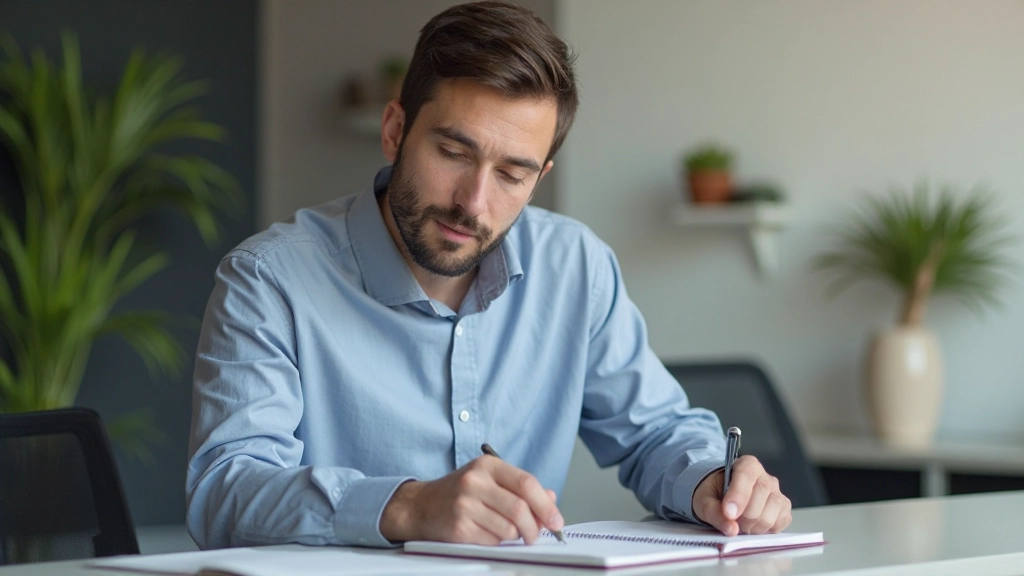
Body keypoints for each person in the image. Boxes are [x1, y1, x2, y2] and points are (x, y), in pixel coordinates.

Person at [186, 0, 792, 550]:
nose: (473, 202)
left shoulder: (576, 266)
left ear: (540, 175)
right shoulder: (268, 280)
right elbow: (224, 490)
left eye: (511, 174)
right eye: (453, 152)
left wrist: (714, 479)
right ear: (396, 131)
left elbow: (655, 431)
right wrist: (407, 505)